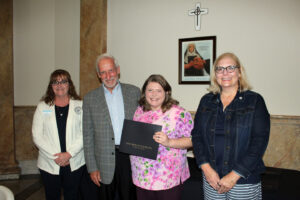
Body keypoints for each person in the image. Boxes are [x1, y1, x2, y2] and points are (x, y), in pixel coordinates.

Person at [191, 52, 270, 199]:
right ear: (215, 74)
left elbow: (259, 142)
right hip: (212, 178)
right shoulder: (206, 101)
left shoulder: (255, 101)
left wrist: (234, 175)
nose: (225, 73)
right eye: (220, 69)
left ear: (239, 72)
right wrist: (206, 169)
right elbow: (197, 136)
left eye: (230, 68)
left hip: (243, 178)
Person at [82, 53, 140, 200]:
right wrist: (92, 168)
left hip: (129, 157)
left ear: (118, 70)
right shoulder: (90, 99)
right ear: (98, 75)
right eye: (103, 72)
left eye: (111, 70)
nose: (108, 76)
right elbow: (87, 136)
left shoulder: (134, 92)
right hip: (103, 161)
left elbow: (143, 124)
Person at [130, 74, 194, 200]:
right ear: (144, 93)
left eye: (158, 90)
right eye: (150, 90)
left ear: (166, 92)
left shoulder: (179, 113)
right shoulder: (139, 111)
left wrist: (169, 142)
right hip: (141, 175)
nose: (154, 94)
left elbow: (192, 140)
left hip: (167, 178)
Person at [32, 69, 85, 200]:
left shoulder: (81, 105)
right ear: (51, 86)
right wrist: (55, 156)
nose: (59, 85)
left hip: (74, 161)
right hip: (49, 162)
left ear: (69, 84)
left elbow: (85, 133)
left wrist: (68, 154)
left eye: (63, 81)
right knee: (51, 196)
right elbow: (37, 135)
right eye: (55, 82)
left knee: (72, 196)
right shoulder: (42, 107)